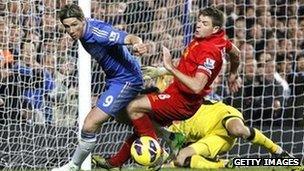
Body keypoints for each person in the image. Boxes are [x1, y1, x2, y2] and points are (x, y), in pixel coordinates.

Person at [93, 7, 241, 170]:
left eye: (204, 23)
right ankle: (115, 163)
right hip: (175, 93)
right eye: (199, 21)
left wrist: (170, 68)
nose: (198, 25)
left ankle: (159, 151)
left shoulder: (209, 52)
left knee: (132, 107)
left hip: (182, 101)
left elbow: (197, 86)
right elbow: (236, 53)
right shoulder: (220, 39)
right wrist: (233, 73)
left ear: (215, 29)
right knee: (142, 126)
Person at [52, 4, 147, 171]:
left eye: (75, 24)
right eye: (67, 26)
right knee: (125, 118)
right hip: (115, 79)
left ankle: (74, 166)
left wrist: (137, 44)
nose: (71, 30)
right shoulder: (83, 32)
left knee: (90, 124)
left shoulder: (98, 33)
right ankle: (169, 136)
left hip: (127, 80)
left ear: (83, 20)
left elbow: (128, 37)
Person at [165, 100, 293, 169]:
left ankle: (277, 151)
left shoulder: (179, 100)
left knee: (237, 130)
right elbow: (178, 152)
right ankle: (223, 164)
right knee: (181, 157)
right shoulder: (171, 130)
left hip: (220, 115)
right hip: (215, 138)